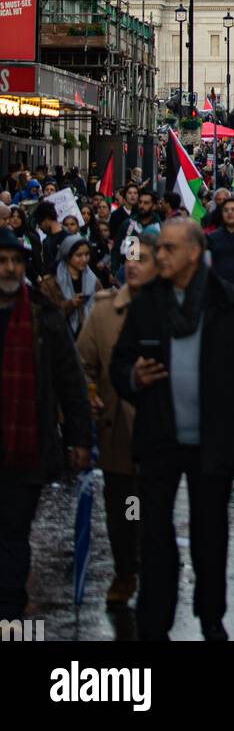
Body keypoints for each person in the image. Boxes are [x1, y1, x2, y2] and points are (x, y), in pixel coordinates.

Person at [111, 218, 234, 641]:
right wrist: (133, 376)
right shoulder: (147, 304)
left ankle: (210, 616)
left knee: (210, 534)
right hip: (160, 439)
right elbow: (120, 364)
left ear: (192, 253)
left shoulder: (230, 304)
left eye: (167, 248)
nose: (159, 256)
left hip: (213, 440)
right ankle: (155, 620)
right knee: (155, 535)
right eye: (158, 248)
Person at [0, 228, 91, 619]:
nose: (8, 268)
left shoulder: (41, 313)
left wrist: (79, 438)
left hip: (28, 443)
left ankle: (9, 611)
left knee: (15, 534)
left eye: (15, 261)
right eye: (2, 261)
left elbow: (69, 378)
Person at [77, 237, 159, 606]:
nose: (133, 265)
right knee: (122, 508)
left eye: (141, 259)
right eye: (128, 259)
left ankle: (153, 572)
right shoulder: (105, 310)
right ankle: (125, 570)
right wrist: (90, 393)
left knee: (152, 509)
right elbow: (83, 364)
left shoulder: (173, 309)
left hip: (161, 432)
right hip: (118, 431)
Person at [55, 233, 99, 339]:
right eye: (78, 255)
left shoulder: (92, 279)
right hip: (62, 336)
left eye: (87, 254)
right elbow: (48, 313)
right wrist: (70, 304)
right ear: (68, 256)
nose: (84, 259)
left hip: (87, 335)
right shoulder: (53, 280)